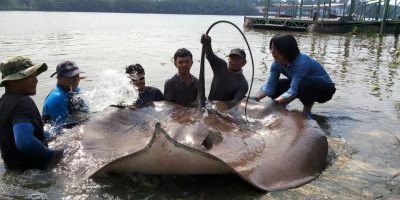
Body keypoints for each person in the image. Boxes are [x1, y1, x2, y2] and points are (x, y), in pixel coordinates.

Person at [0, 56, 63, 170]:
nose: (36, 80)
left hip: (14, 171)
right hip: (36, 171)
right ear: (13, 81)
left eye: (35, 75)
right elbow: (24, 142)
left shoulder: (3, 102)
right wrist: (53, 155)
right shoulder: (23, 102)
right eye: (30, 76)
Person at [252, 34, 336, 118]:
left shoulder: (302, 62)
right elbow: (269, 86)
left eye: (276, 49)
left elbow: (293, 90)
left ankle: (307, 112)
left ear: (286, 50)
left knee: (303, 84)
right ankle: (281, 108)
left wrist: (273, 104)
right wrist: (254, 99)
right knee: (278, 84)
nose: (272, 51)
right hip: (301, 85)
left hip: (325, 90)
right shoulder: (276, 64)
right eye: (271, 48)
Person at [200, 34, 249, 110]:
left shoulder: (243, 84)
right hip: (209, 104)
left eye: (237, 59)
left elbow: (235, 101)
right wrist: (207, 43)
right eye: (232, 58)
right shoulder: (221, 66)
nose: (234, 62)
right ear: (228, 59)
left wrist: (223, 105)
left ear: (244, 62)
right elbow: (209, 54)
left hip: (226, 109)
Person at [42, 60, 88, 132]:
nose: (76, 80)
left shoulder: (75, 89)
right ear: (59, 78)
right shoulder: (56, 98)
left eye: (77, 76)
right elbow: (62, 129)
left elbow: (86, 112)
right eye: (71, 77)